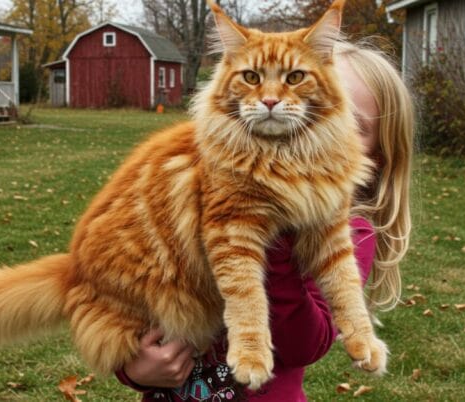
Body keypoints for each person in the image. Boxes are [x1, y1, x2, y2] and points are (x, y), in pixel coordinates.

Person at [115, 41, 415, 401]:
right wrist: (134, 371)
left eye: (351, 121)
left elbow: (307, 346)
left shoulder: (355, 231)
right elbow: (139, 302)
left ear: (377, 155)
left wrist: (274, 235)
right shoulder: (212, 189)